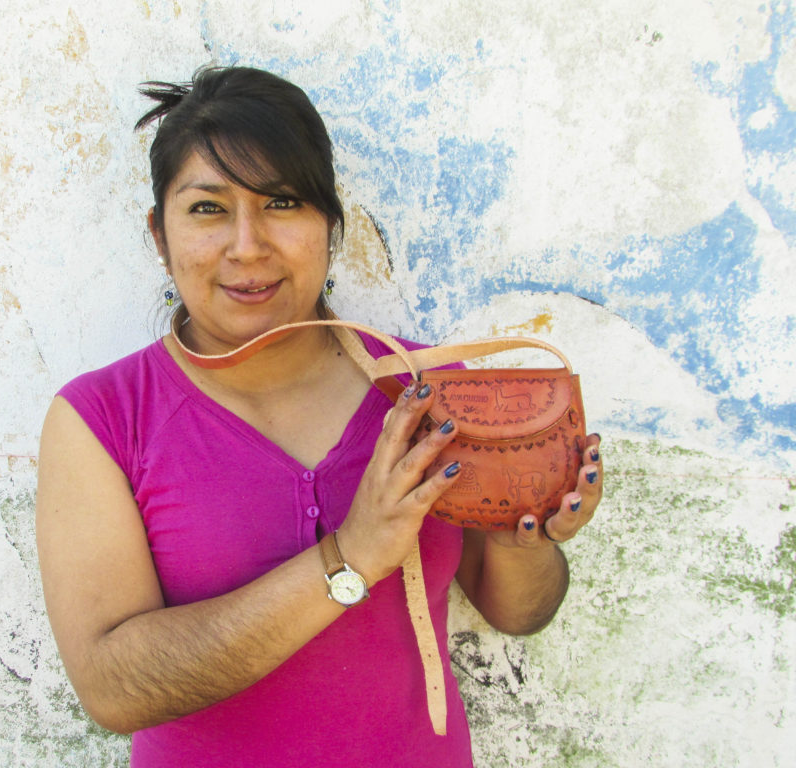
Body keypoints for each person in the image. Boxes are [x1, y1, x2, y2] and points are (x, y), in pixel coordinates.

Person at [35, 66, 602, 767]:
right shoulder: (102, 421)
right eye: (208, 209)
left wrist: (526, 537)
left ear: (330, 227)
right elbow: (113, 688)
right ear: (160, 234)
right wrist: (354, 556)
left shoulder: (429, 390)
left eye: (282, 202)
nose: (247, 246)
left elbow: (520, 612)